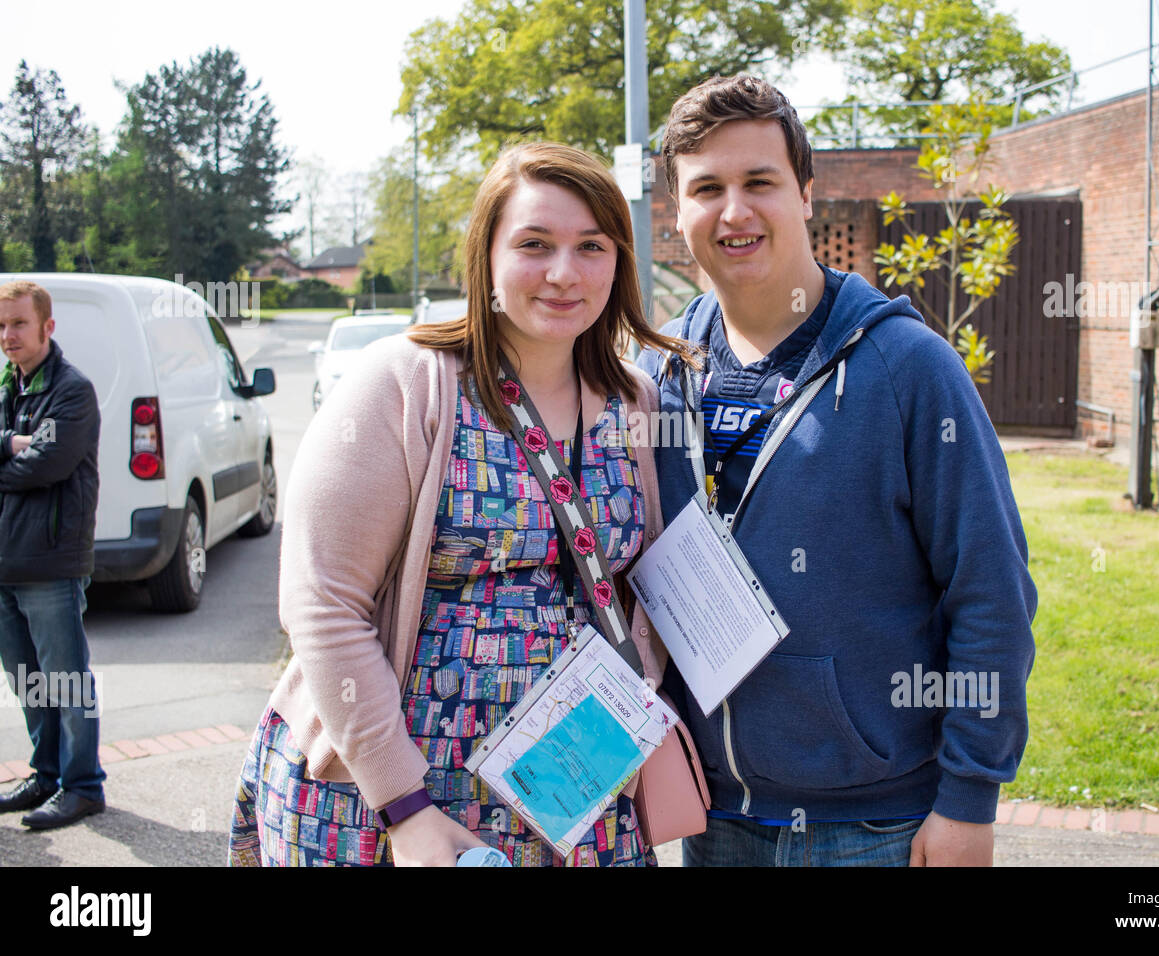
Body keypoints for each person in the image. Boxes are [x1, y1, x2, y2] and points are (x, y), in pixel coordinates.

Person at [228, 142, 696, 867]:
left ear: (619, 261)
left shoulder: (635, 399)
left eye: (591, 247)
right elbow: (322, 603)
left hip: (572, 799)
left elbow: (643, 590)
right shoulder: (404, 384)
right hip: (386, 804)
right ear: (486, 257)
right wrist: (405, 807)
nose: (564, 272)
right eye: (534, 245)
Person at [635, 75, 1037, 867]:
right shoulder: (657, 374)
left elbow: (990, 591)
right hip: (713, 819)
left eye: (760, 182)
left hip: (874, 829)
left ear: (808, 193)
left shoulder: (909, 368)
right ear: (677, 216)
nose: (735, 211)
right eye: (706, 188)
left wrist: (968, 800)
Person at [0, 279, 106, 830]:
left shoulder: (72, 390)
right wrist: (7, 447)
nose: (8, 335)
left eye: (18, 323)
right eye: (0, 325)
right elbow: (19, 459)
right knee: (27, 680)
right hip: (4, 562)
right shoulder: (5, 387)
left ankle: (82, 785)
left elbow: (47, 464)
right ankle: (44, 776)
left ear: (47, 326)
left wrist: (18, 456)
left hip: (49, 562)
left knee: (65, 681)